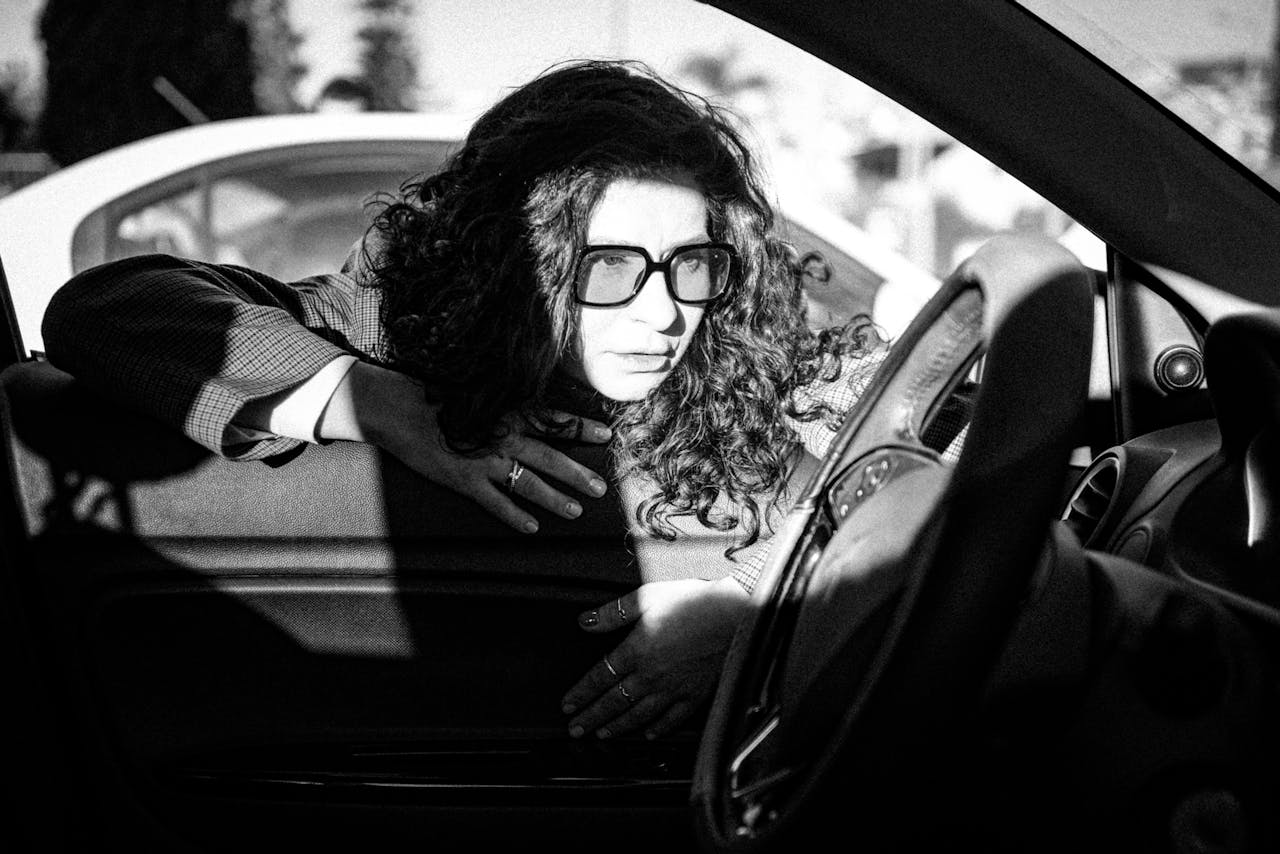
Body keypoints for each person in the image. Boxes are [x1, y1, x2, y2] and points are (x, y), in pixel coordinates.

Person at [41, 60, 887, 742]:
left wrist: (753, 603)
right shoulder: (383, 333)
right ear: (513, 261)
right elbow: (106, 310)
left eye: (691, 265)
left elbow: (909, 468)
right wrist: (381, 406)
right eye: (607, 267)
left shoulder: (736, 371)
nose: (664, 313)